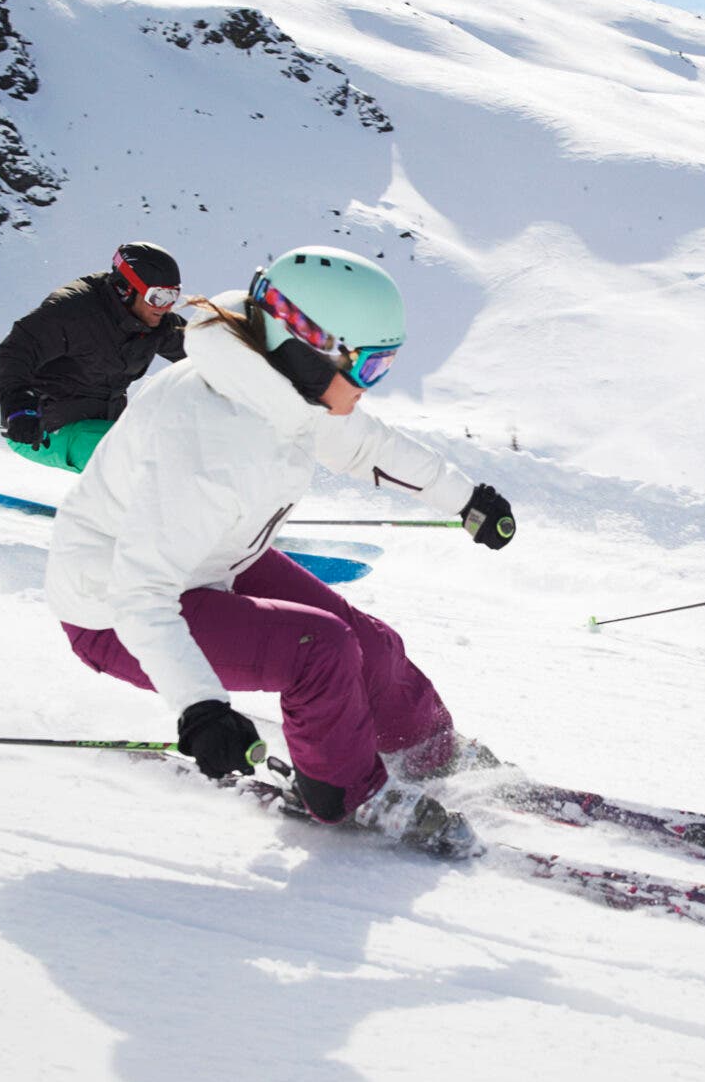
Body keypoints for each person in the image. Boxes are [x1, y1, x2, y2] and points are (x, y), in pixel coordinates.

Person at [44, 246, 517, 839]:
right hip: (111, 608)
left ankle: (429, 752)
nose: (369, 388)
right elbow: (140, 593)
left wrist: (465, 499)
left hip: (210, 559)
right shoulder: (207, 441)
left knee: (372, 642)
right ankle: (347, 793)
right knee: (319, 650)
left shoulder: (275, 384)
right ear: (309, 346)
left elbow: (367, 446)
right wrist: (202, 709)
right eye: (368, 368)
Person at [0, 242, 189, 471]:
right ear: (127, 288)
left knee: (180, 451)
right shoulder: (74, 312)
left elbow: (200, 349)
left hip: (104, 426)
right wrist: (19, 405)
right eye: (158, 297)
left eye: (173, 296)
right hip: (43, 428)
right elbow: (16, 350)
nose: (165, 307)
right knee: (144, 460)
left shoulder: (155, 323)